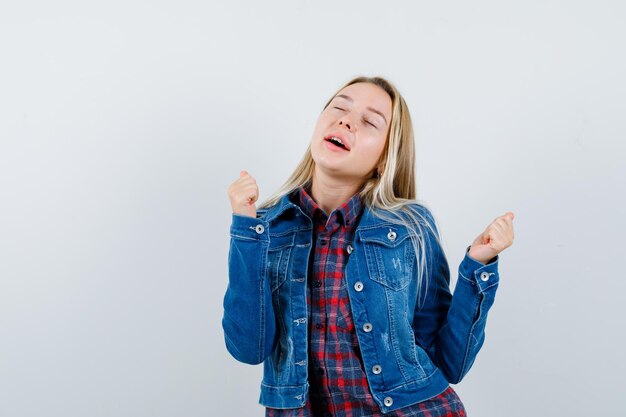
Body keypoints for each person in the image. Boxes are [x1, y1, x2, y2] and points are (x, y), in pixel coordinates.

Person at [223, 76, 515, 417]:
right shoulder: (267, 226)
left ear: (383, 158)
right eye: (339, 107)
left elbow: (451, 362)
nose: (346, 120)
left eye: (369, 121)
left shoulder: (410, 227)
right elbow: (248, 348)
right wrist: (245, 228)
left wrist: (478, 266)